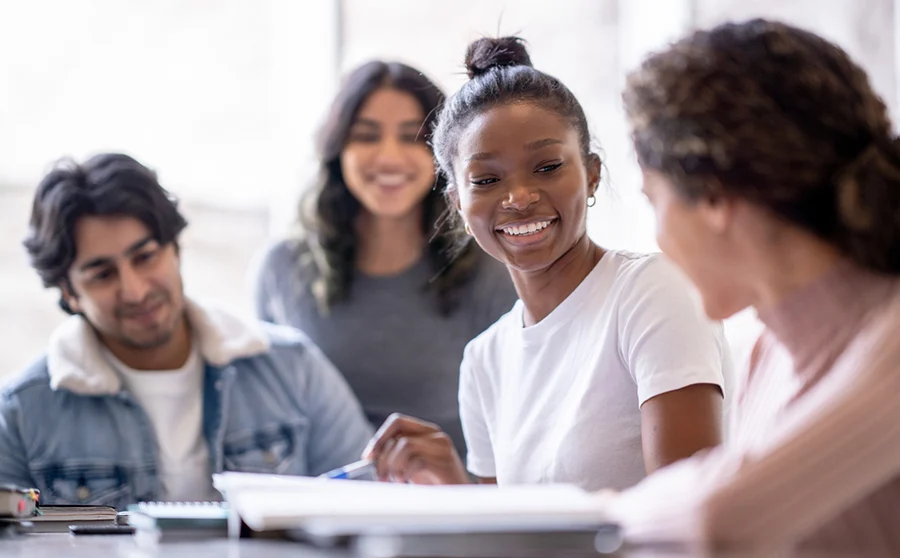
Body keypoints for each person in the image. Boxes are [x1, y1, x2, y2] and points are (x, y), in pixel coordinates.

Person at [363, 38, 733, 491]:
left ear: (591, 173)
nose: (519, 197)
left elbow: (688, 512)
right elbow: (507, 537)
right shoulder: (483, 362)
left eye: (547, 167)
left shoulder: (652, 292)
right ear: (458, 202)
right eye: (487, 179)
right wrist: (454, 487)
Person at [608, 19, 900, 553]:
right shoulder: (770, 351)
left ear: (715, 197)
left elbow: (721, 518)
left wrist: (604, 512)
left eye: (656, 200)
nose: (660, 236)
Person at [0, 153, 372, 509]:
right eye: (102, 274)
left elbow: (368, 502)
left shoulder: (293, 368)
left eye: (145, 257)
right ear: (70, 293)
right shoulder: (21, 413)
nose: (135, 290)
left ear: (175, 249)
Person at [253, 61, 517, 455]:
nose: (390, 157)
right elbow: (269, 418)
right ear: (337, 149)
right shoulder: (281, 268)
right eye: (367, 136)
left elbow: (514, 429)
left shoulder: (489, 272)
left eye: (412, 137)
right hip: (316, 506)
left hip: (448, 507)